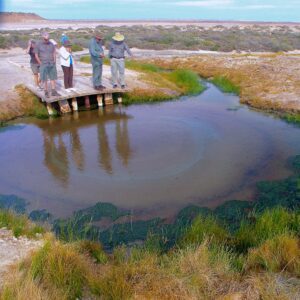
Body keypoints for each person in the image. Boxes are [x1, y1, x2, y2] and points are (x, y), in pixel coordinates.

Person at [35, 32, 60, 98]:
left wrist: (54, 60)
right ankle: (46, 91)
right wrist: (40, 63)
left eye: (48, 38)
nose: (47, 39)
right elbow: (36, 55)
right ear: (42, 37)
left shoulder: (51, 44)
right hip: (43, 63)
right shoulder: (38, 44)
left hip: (51, 63)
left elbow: (54, 52)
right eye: (46, 38)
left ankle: (53, 91)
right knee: (44, 78)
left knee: (53, 77)